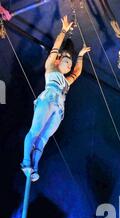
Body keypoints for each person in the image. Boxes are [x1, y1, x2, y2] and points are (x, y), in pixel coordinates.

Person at [21, 15, 91, 182]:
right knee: (35, 131)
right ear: (59, 59)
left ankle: (35, 167)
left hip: (59, 109)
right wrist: (63, 31)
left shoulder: (67, 81)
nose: (68, 64)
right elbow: (56, 46)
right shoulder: (51, 66)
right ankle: (25, 162)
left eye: (70, 63)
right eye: (66, 60)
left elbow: (77, 72)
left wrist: (80, 55)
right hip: (48, 99)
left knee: (43, 139)